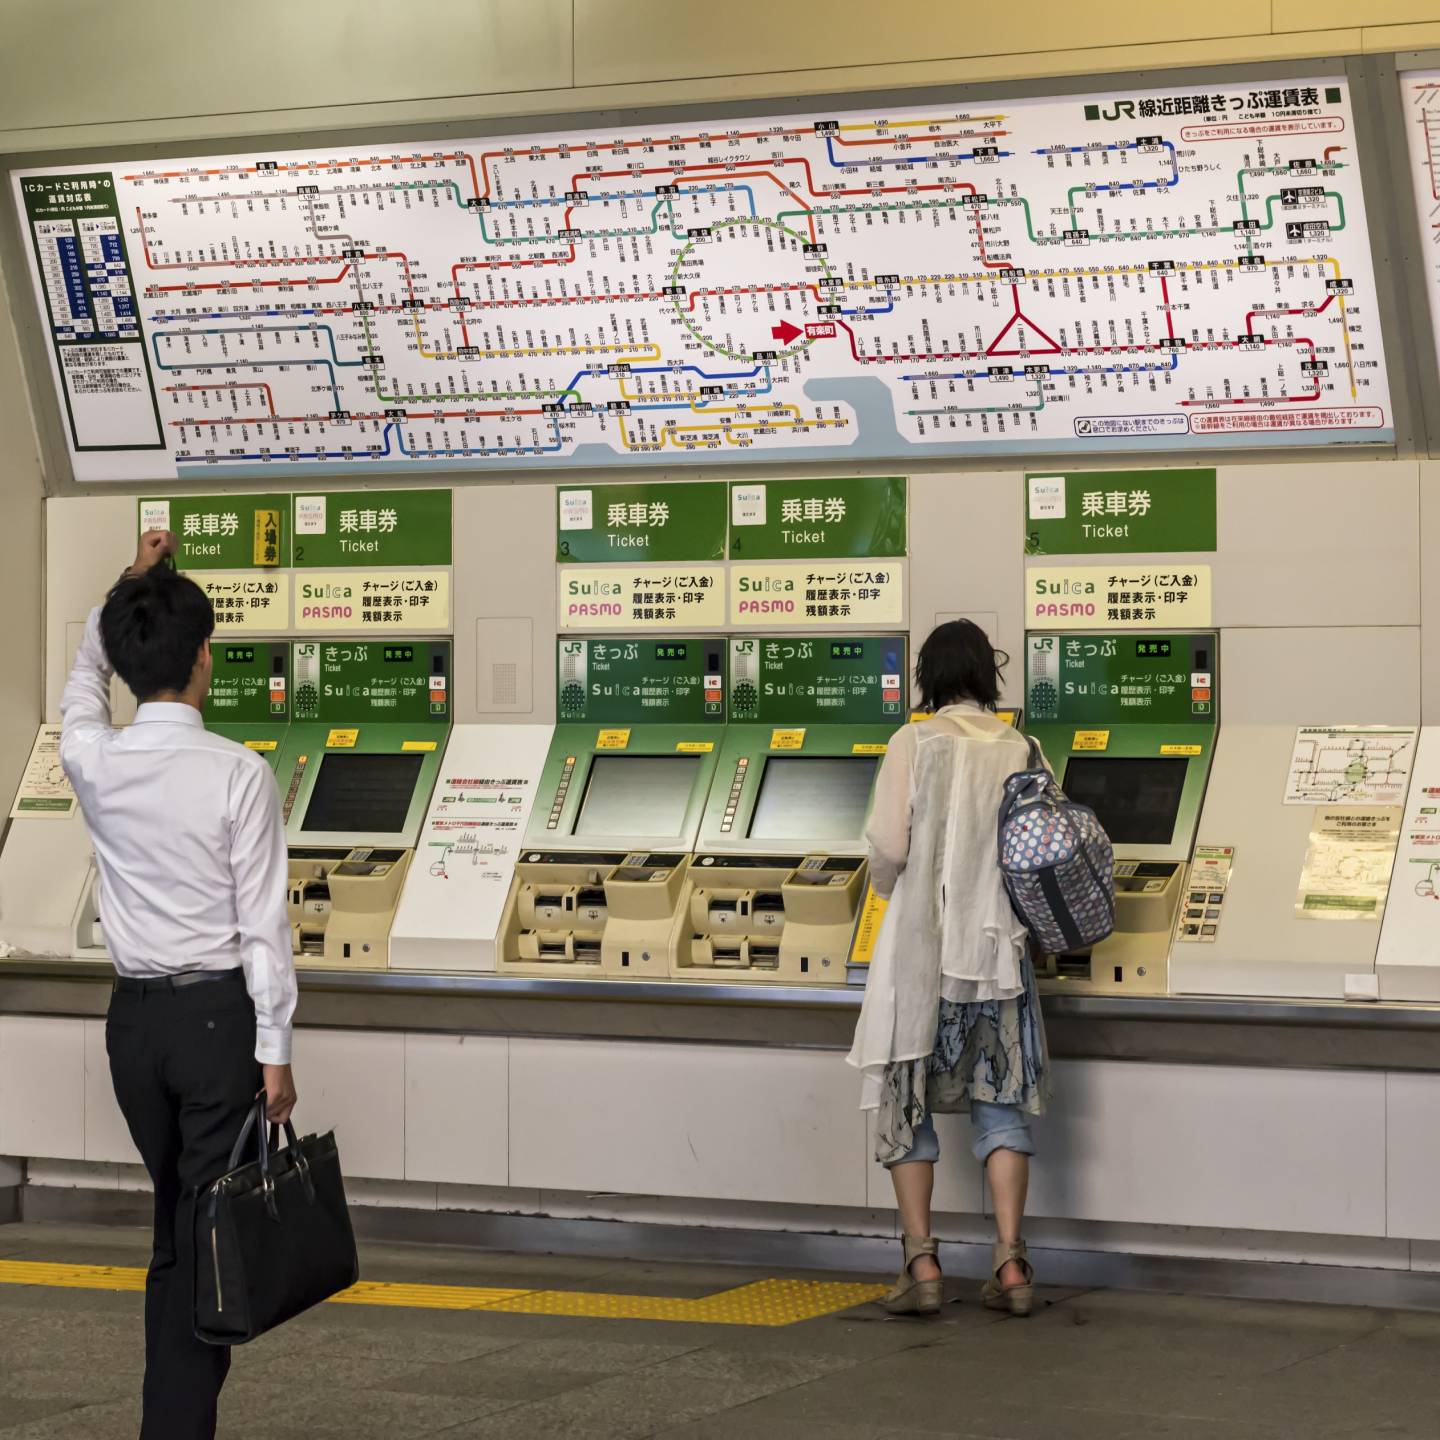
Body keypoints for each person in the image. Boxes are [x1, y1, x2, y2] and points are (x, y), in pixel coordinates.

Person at [60, 530, 299, 1439]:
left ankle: (171, 1414)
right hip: (215, 1023)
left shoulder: (95, 759)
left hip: (134, 1030)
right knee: (210, 1239)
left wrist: (125, 590)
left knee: (180, 1225)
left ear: (126, 663)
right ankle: (176, 1427)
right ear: (206, 658)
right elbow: (263, 928)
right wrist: (273, 1051)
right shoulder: (238, 774)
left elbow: (82, 688)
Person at [848, 620, 1049, 1318]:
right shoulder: (1021, 746)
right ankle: (1013, 1263)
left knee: (909, 1105)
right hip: (995, 958)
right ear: (985, 675)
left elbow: (888, 848)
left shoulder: (914, 741)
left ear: (929, 676)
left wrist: (885, 889)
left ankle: (923, 1264)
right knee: (1000, 1106)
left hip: (921, 954)